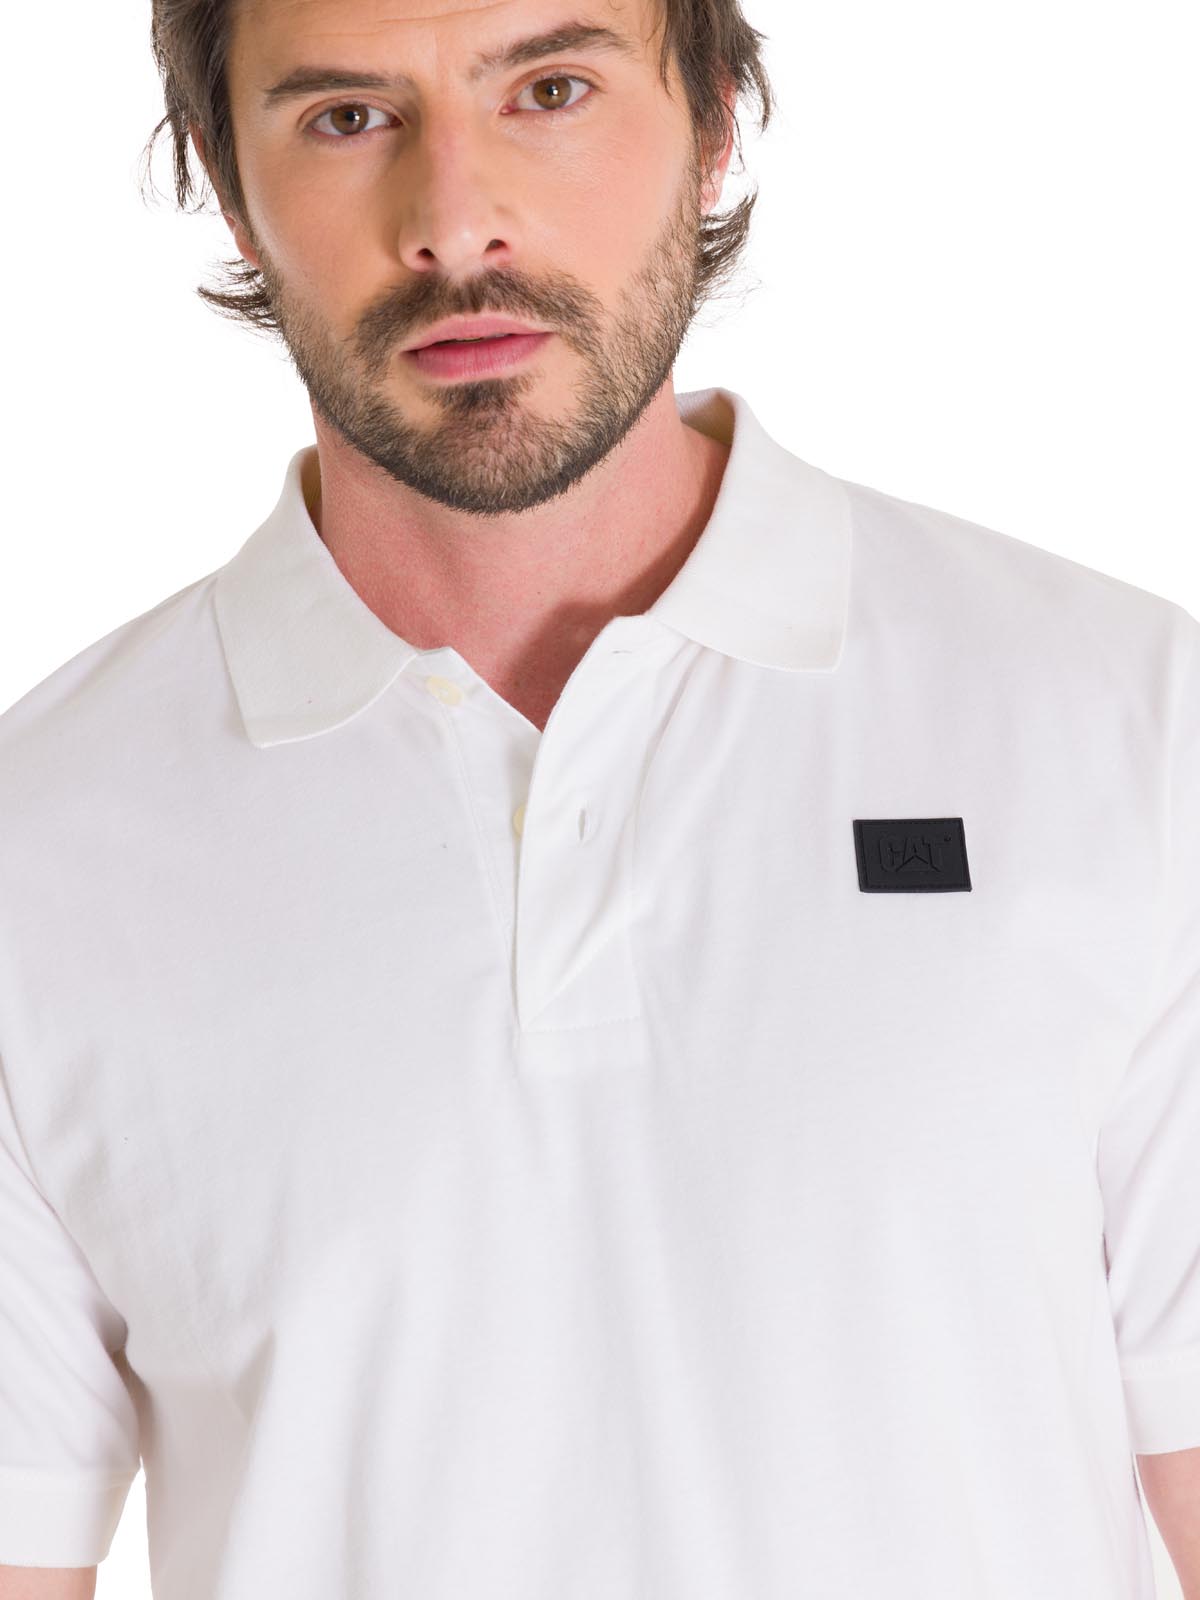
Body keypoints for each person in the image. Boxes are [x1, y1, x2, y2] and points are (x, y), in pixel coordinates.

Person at [1, 0, 1197, 1596]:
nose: (455, 222)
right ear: (227, 178)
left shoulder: (1126, 724)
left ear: (713, 120)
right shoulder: (43, 849)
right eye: (348, 118)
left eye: (550, 89)